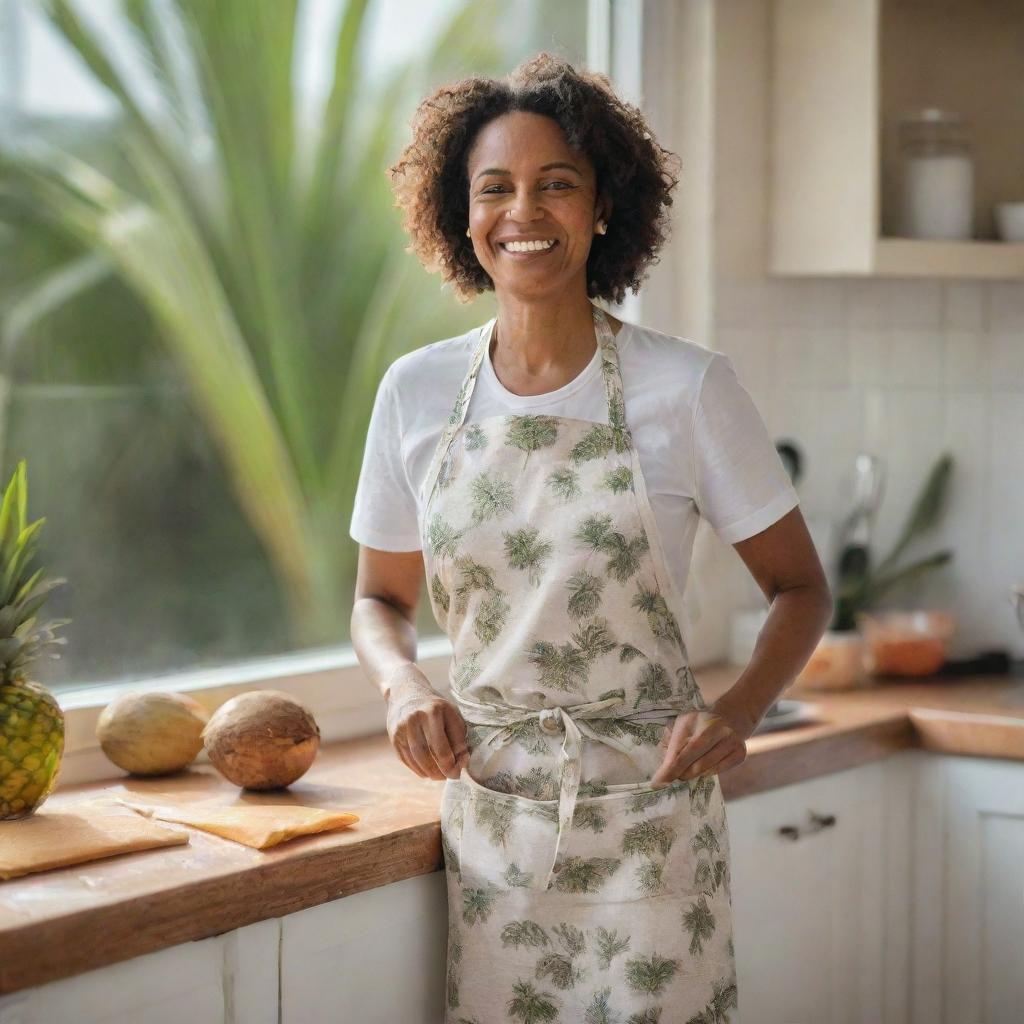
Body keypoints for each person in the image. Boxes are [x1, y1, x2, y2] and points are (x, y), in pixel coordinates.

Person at [349, 52, 832, 1024]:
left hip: (654, 820)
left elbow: (801, 589)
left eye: (555, 185)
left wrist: (736, 708)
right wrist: (403, 685)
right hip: (494, 826)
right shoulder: (414, 392)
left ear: (603, 206)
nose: (523, 211)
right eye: (496, 188)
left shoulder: (686, 389)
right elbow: (378, 600)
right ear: (463, 215)